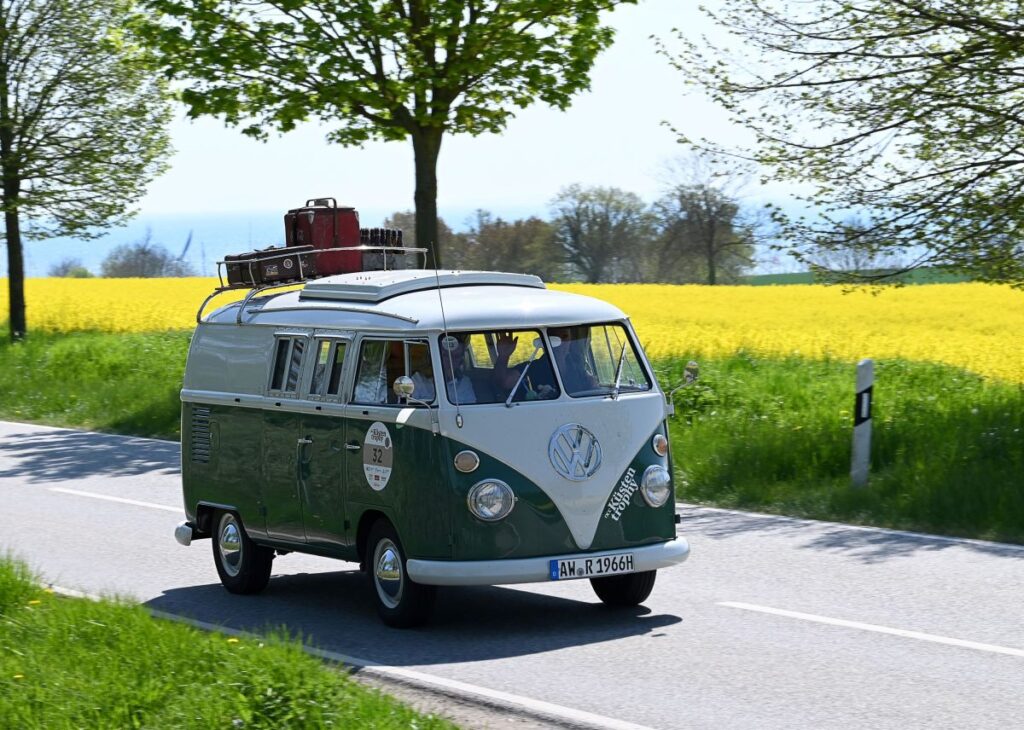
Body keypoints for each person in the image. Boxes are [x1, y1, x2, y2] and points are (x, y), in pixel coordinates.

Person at [494, 326, 598, 400]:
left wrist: (593, 384)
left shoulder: (577, 368)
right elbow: (504, 382)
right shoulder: (533, 368)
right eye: (554, 338)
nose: (561, 343)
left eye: (565, 337)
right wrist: (503, 356)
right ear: (545, 342)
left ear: (570, 341)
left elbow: (594, 390)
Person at [410, 334, 476, 404]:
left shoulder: (464, 382)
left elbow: (472, 408)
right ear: (434, 356)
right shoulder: (417, 381)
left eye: (456, 357)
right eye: (446, 355)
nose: (450, 361)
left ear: (461, 360)